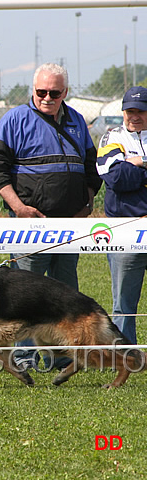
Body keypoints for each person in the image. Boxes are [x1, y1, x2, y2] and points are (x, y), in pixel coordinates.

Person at [0, 62, 102, 371]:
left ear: (65, 92)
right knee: (26, 295)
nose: (47, 98)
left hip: (69, 226)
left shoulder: (77, 120)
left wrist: (87, 204)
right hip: (30, 226)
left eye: (54, 92)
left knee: (65, 294)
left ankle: (61, 357)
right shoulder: (15, 119)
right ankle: (23, 358)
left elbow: (92, 168)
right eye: (41, 92)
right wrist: (19, 208)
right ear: (32, 90)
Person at [96, 85, 147, 345]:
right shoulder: (111, 137)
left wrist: (134, 163)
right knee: (124, 302)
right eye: (130, 111)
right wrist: (140, 167)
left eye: (140, 111)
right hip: (126, 231)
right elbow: (115, 177)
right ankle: (127, 355)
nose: (134, 116)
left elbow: (127, 173)